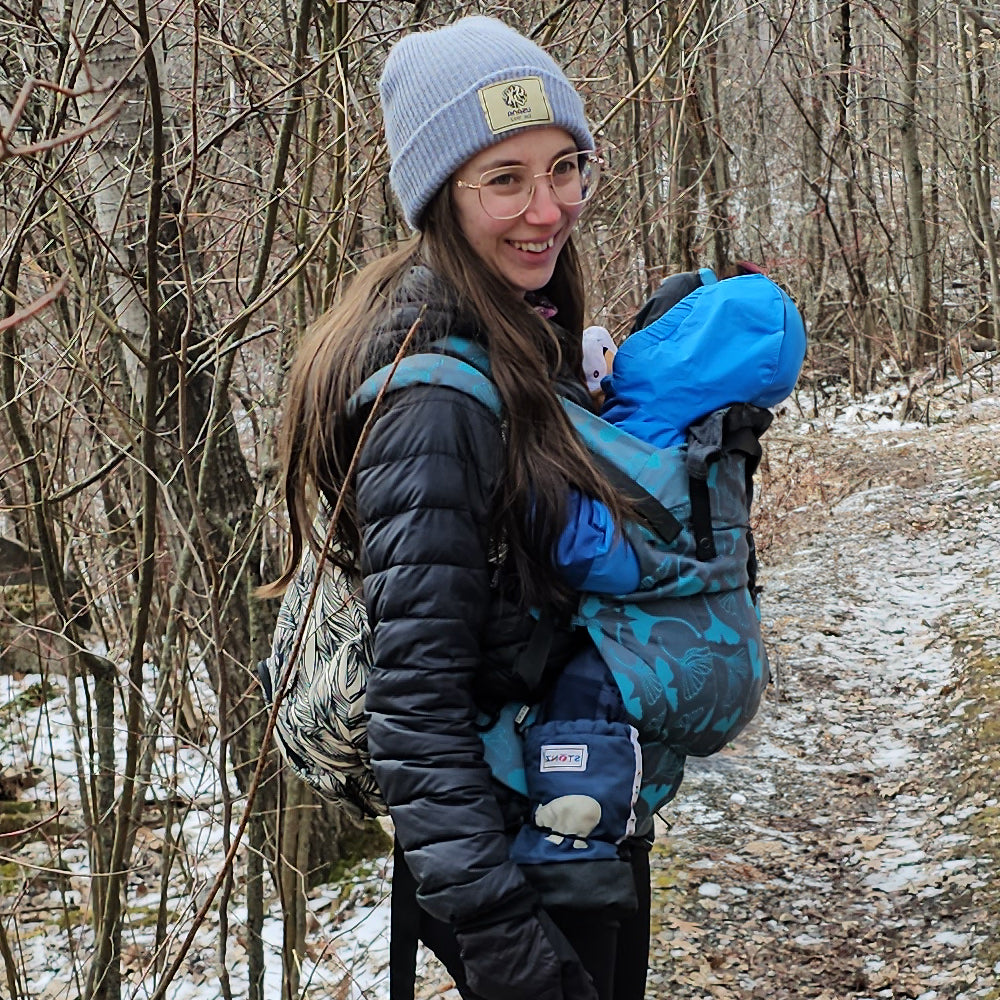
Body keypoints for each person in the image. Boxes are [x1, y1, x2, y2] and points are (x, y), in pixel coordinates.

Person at [268, 16, 651, 1000]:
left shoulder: (513, 324)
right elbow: (415, 704)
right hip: (511, 855)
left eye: (565, 166)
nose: (549, 208)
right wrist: (506, 944)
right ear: (441, 195)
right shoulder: (431, 395)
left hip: (551, 808)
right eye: (505, 179)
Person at [509, 266, 807, 867]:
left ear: (681, 348)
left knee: (584, 709)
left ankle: (568, 851)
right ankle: (617, 824)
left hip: (658, 657)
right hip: (722, 651)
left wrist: (534, 494)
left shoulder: (651, 439)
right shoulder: (716, 438)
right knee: (639, 743)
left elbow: (597, 555)